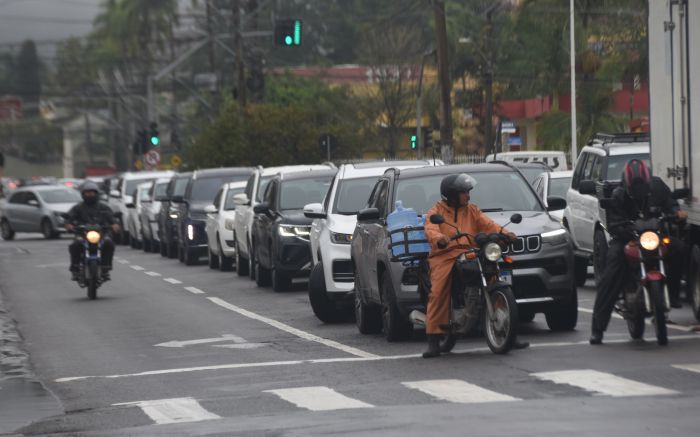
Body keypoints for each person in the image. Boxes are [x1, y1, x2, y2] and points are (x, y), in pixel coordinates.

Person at [590, 159, 687, 345]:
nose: (639, 191)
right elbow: (613, 224)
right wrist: (625, 229)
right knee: (611, 274)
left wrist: (676, 212)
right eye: (635, 188)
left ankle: (673, 294)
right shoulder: (619, 195)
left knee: (679, 248)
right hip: (629, 238)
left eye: (642, 187)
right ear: (627, 185)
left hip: (654, 236)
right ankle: (598, 329)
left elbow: (671, 204)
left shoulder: (658, 188)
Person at [422, 173, 519, 358]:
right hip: (445, 255)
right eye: (464, 192)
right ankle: (433, 339)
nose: (468, 196)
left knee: (492, 273)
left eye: (468, 192)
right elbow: (430, 229)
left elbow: (488, 224)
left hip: (471, 251)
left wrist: (506, 233)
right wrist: (440, 238)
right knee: (438, 290)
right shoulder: (436, 211)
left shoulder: (472, 210)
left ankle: (508, 330)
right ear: (452, 195)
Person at [65, 181, 119, 281]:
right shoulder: (78, 207)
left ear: (96, 193)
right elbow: (70, 217)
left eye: (92, 192)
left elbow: (111, 217)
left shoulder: (103, 207)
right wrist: (69, 224)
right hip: (83, 233)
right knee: (75, 244)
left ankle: (106, 268)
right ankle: (75, 268)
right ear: (83, 194)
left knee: (108, 243)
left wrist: (114, 224)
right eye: (87, 192)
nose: (90, 194)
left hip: (101, 233)